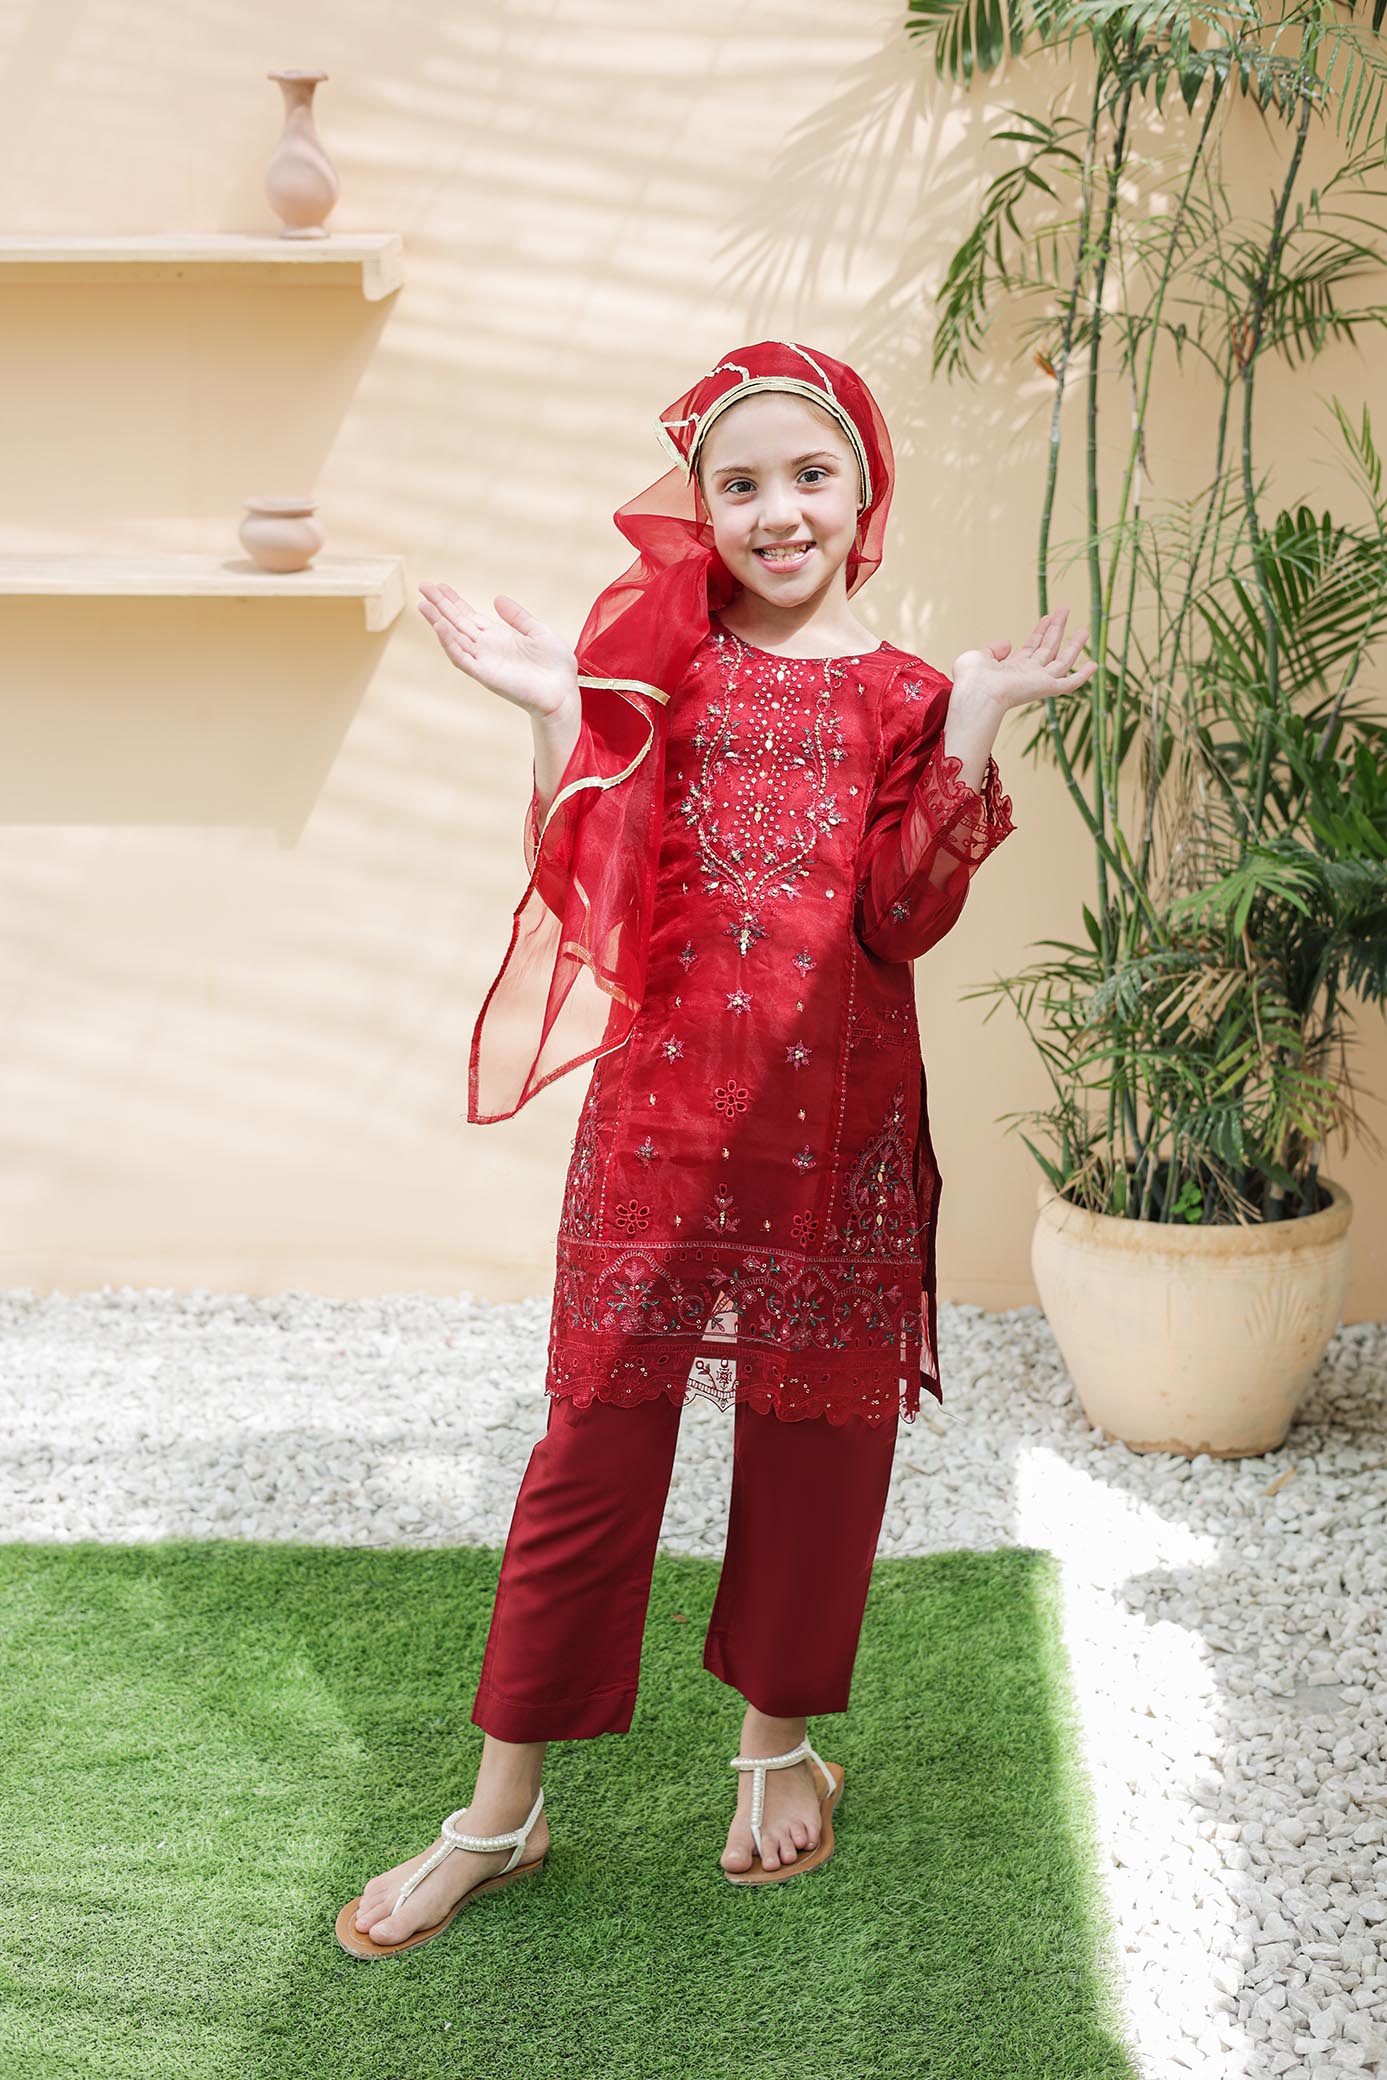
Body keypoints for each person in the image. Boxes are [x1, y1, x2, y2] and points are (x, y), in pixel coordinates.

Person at [337, 341, 1096, 1958]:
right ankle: (501, 1810)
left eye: (809, 476)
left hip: (839, 1134)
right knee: (587, 1460)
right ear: (700, 506)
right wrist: (558, 711)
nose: (777, 511)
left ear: (865, 489)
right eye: (739, 484)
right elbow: (592, 893)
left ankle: (776, 1743)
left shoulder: (904, 697)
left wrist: (966, 721)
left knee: (819, 1449)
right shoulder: (659, 675)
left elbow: (903, 914)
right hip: (661, 1136)